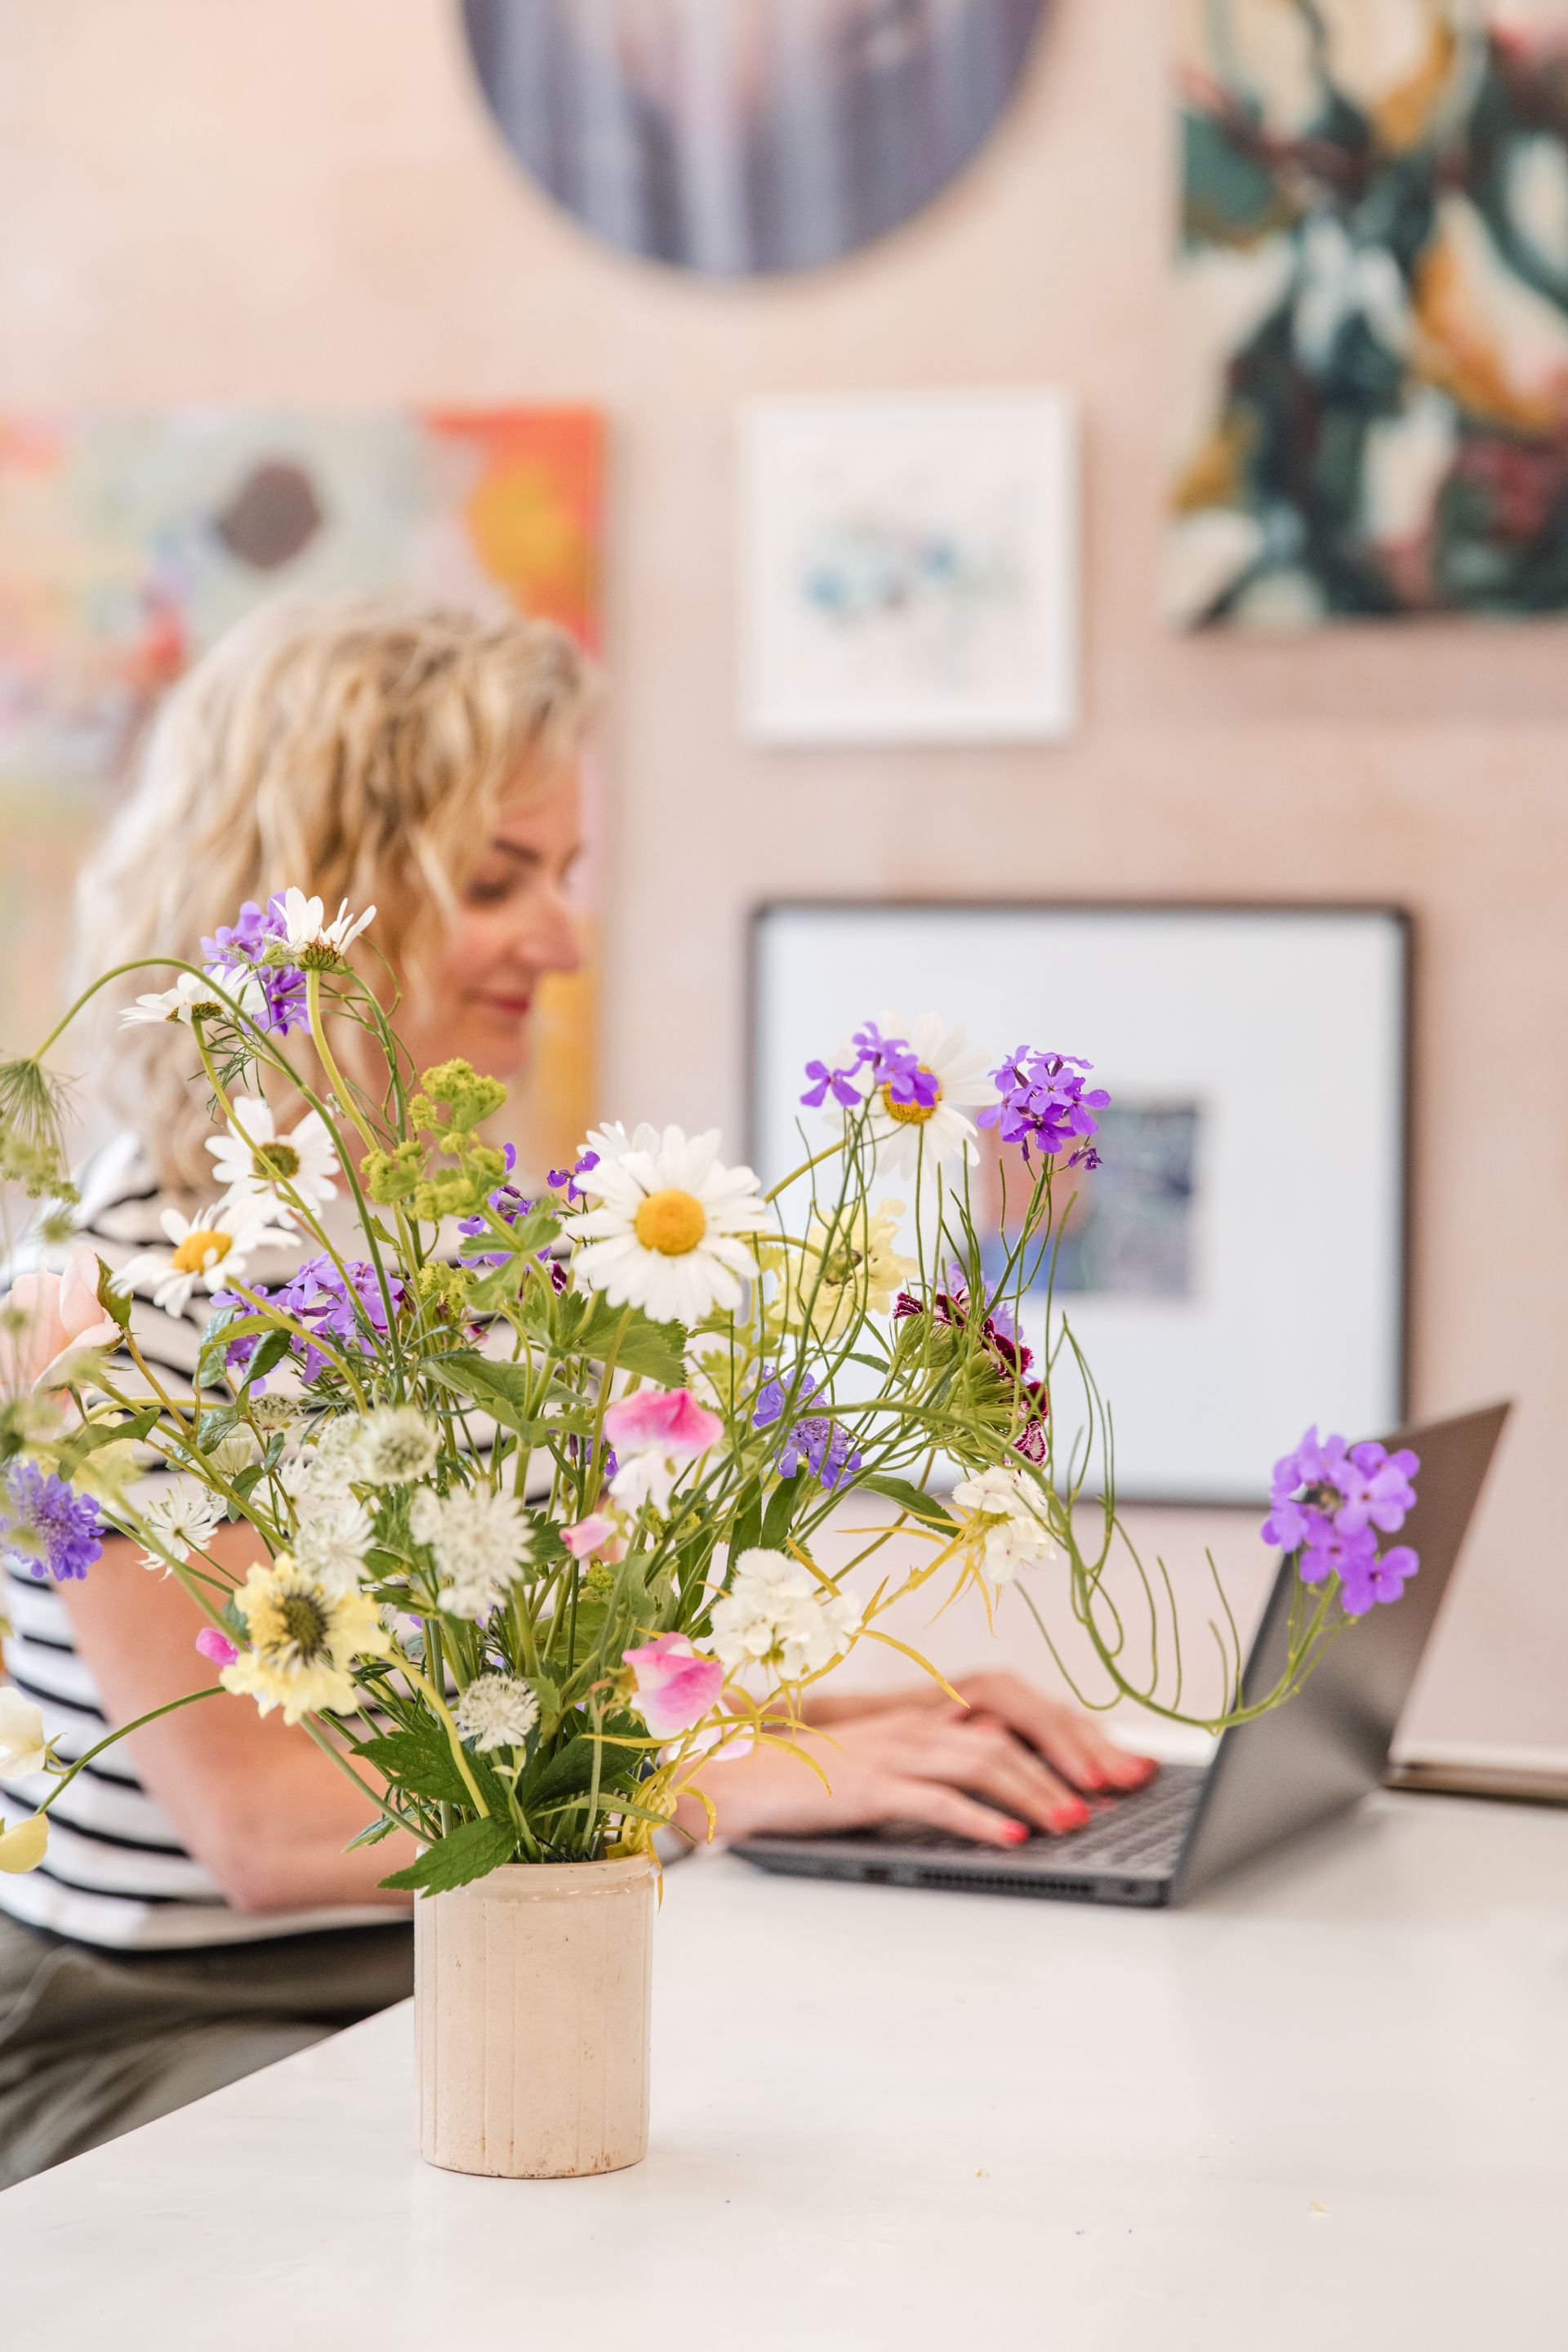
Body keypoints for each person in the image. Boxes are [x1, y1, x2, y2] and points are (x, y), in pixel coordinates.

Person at [0, 595, 1153, 2188]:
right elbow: (263, 1822)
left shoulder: (452, 1258)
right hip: (157, 2025)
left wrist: (848, 1736)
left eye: (563, 872)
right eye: (496, 881)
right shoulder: (104, 1300)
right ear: (300, 905)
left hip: (437, 1962)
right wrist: (724, 1787)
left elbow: (523, 1716)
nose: (561, 937)